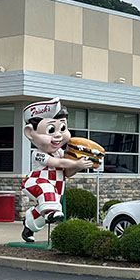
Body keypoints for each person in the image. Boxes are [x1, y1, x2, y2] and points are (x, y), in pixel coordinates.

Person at [19, 98, 97, 242]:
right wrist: (75, 163)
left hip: (56, 188)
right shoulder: (38, 154)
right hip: (36, 183)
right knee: (47, 191)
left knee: (44, 209)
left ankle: (29, 225)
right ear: (30, 133)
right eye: (50, 130)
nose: (58, 135)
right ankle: (51, 212)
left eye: (62, 128)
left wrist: (77, 167)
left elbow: (67, 172)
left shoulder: (61, 152)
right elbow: (58, 163)